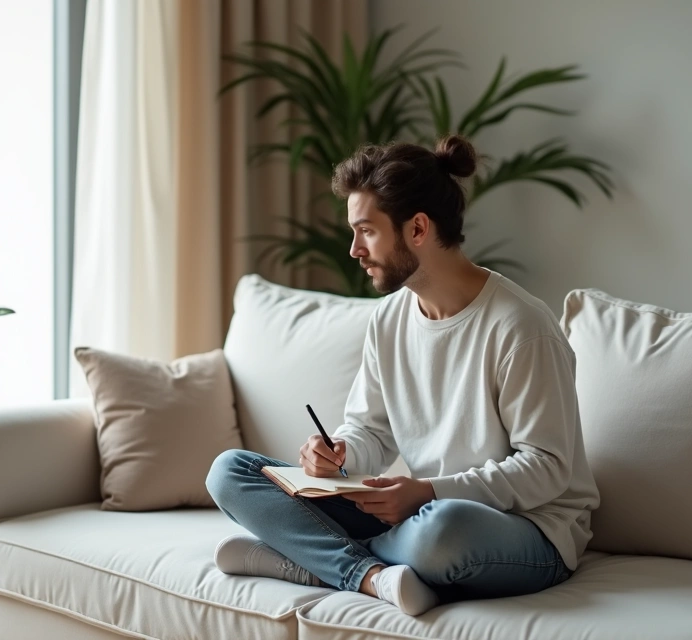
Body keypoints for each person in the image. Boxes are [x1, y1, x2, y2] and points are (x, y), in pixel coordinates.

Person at [205, 135, 599, 616]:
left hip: (525, 531)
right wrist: (340, 454)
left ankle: (309, 559)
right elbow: (370, 429)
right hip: (416, 511)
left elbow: (547, 468)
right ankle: (368, 576)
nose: (354, 249)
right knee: (231, 471)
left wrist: (429, 492)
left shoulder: (521, 328)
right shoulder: (388, 320)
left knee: (441, 532)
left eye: (366, 231)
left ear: (417, 228)